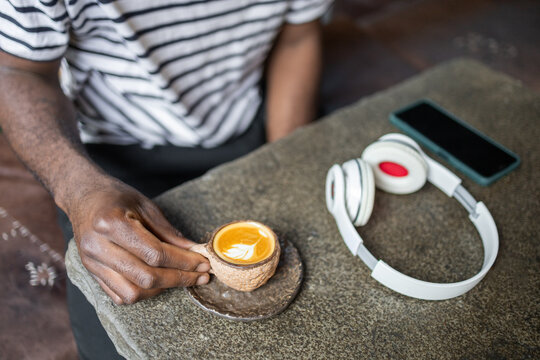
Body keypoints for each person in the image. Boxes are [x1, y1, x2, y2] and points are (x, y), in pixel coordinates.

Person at [0, 0, 331, 358]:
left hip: (251, 131)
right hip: (108, 166)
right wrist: (79, 189)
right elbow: (18, 72)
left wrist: (280, 161)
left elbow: (299, 38)